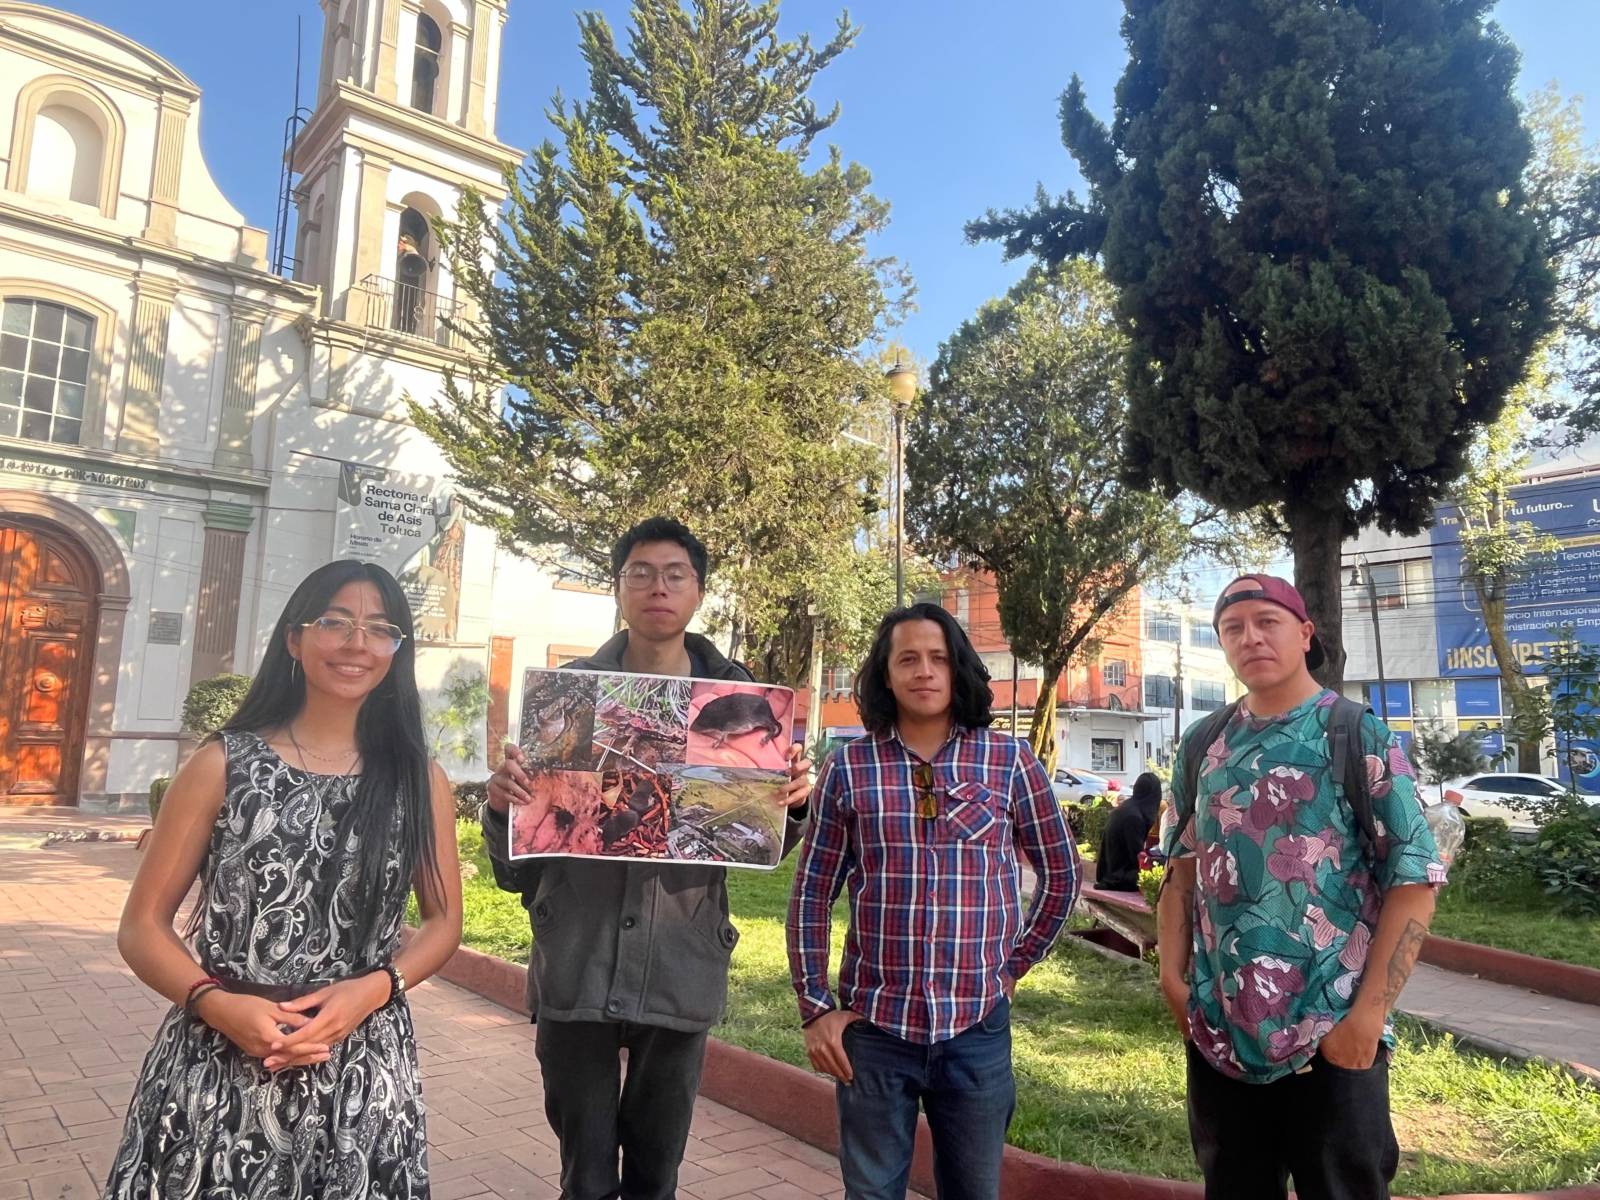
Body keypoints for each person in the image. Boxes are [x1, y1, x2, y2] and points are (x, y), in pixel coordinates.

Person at [104, 560, 463, 1199]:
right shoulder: (222, 763)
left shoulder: (417, 778)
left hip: (360, 1067)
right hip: (222, 1058)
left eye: (380, 629)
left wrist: (376, 989)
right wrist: (218, 1004)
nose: (357, 643)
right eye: (335, 622)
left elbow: (443, 922)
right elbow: (142, 927)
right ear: (294, 640)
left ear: (396, 652)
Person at [483, 517, 812, 1200]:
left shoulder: (738, 698)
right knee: (586, 1171)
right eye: (640, 572)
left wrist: (792, 805)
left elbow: (753, 844)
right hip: (577, 955)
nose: (656, 587)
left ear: (698, 591)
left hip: (681, 964)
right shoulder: (568, 698)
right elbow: (516, 871)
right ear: (618, 587)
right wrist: (502, 808)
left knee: (657, 1172)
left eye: (674, 574)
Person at [1156, 575, 1446, 1200]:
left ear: (1305, 633)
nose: (1251, 637)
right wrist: (1174, 983)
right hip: (1222, 1036)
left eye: (1268, 621)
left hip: (1332, 1036)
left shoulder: (1356, 733)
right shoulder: (1201, 743)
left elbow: (1417, 881)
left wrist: (1367, 1019)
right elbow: (1181, 874)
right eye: (1233, 628)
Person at [787, 603, 1081, 1200]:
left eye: (938, 658)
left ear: (959, 670)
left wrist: (1014, 966)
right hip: (874, 1031)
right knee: (871, 1193)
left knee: (973, 1190)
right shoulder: (851, 767)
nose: (924, 671)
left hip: (975, 1028)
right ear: (886, 675)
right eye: (908, 659)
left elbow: (1063, 874)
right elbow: (812, 889)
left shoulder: (1009, 762)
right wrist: (816, 1006)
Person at [1097, 771, 1162, 891]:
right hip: (1118, 878)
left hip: (1109, 873)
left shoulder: (1127, 808)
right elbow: (1138, 857)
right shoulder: (1134, 818)